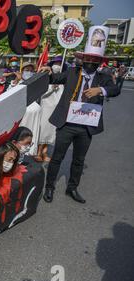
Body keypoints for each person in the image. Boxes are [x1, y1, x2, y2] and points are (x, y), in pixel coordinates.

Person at [39, 26, 120, 204]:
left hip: (86, 127)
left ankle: (72, 188)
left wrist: (100, 90)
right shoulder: (72, 73)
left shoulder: (103, 77)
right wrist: (49, 72)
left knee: (79, 160)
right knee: (57, 158)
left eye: (95, 60)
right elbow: (54, 79)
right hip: (67, 124)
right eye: (88, 58)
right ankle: (49, 187)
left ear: (99, 62)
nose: (91, 62)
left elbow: (115, 90)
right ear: (83, 59)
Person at [37, 56, 66, 162]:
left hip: (56, 108)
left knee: (51, 132)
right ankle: (38, 152)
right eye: (56, 63)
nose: (57, 65)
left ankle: (44, 152)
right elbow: (41, 93)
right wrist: (52, 88)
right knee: (43, 129)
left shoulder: (63, 78)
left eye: (60, 63)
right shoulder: (46, 76)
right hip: (46, 107)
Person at [10, 63, 42, 158]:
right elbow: (9, 94)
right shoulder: (18, 83)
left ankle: (28, 153)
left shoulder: (36, 83)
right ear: (22, 71)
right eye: (27, 70)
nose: (29, 72)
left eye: (31, 71)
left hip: (34, 116)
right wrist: (17, 80)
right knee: (20, 137)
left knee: (30, 137)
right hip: (22, 116)